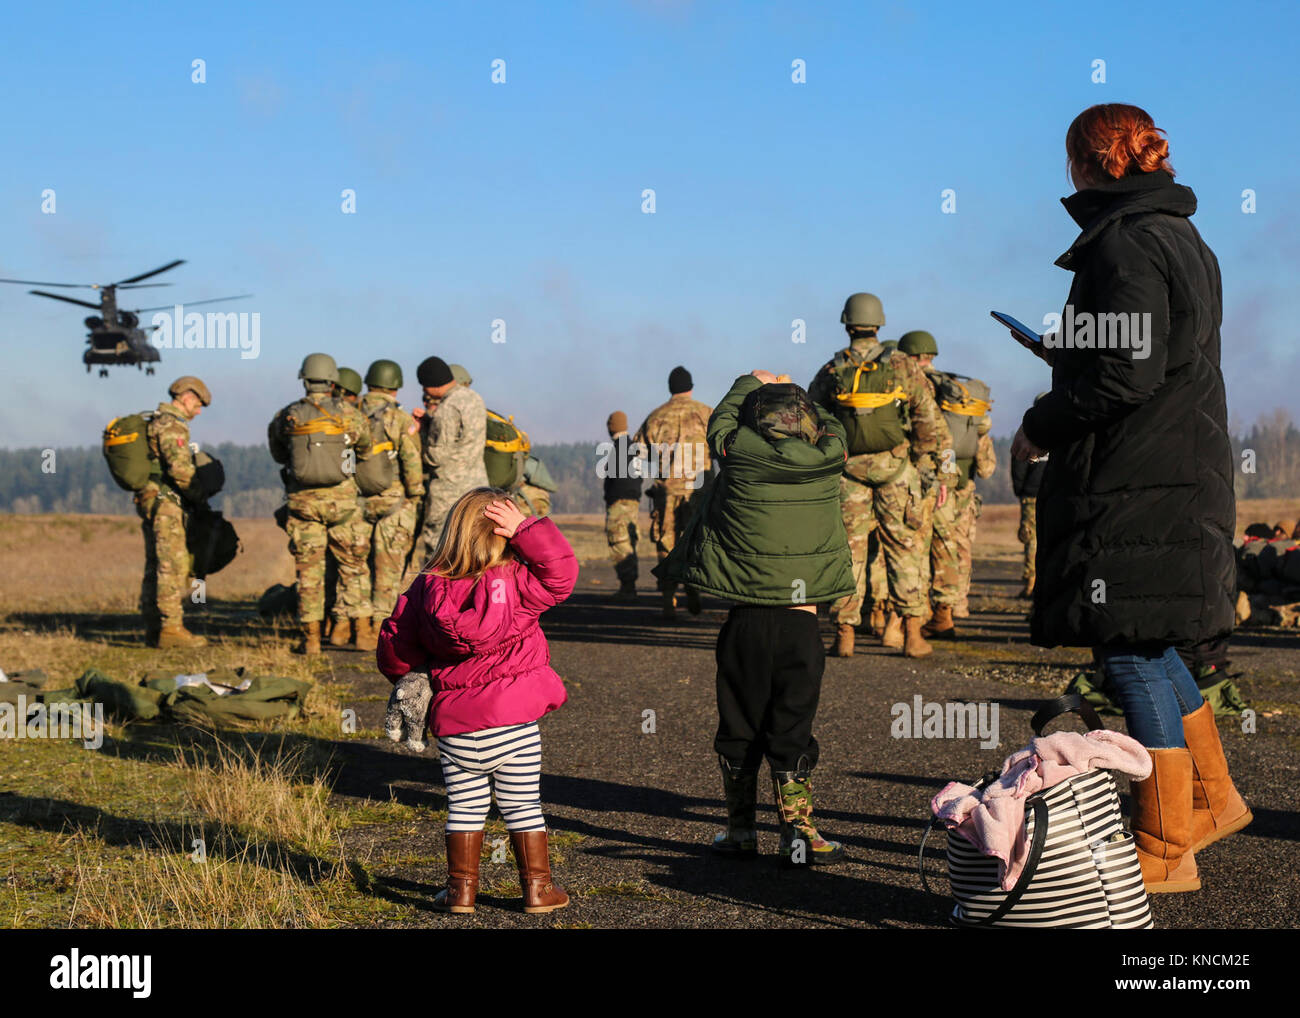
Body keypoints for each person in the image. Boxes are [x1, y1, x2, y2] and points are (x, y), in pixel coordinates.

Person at [1011, 103, 1249, 893]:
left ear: (1085, 164)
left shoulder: (1123, 244)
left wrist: (1041, 422)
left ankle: (1164, 844)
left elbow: (1129, 374)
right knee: (1152, 642)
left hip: (1137, 477)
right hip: (1176, 464)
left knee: (1129, 651)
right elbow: (1151, 354)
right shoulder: (1178, 235)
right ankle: (1210, 802)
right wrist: (1067, 349)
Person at [658, 372, 853, 866]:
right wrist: (807, 398)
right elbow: (836, 428)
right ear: (807, 422)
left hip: (744, 622)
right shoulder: (829, 458)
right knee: (792, 727)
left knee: (739, 725)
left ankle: (740, 831)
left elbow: (719, 422)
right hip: (800, 625)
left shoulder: (737, 452)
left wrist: (749, 381)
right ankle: (800, 833)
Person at [377, 490, 578, 914]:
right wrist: (526, 530)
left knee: (464, 809)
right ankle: (538, 890)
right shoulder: (519, 582)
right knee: (523, 804)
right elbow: (561, 574)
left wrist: (409, 676)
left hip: (457, 727)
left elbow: (396, 646)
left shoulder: (426, 587)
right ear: (502, 536)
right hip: (515, 723)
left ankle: (461, 892)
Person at [808, 293, 945, 658]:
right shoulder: (901, 364)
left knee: (847, 553)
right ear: (879, 324)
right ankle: (912, 635)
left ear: (847, 324)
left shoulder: (832, 369)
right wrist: (918, 458)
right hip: (895, 469)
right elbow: (927, 417)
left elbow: (813, 422)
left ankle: (845, 634)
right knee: (904, 550)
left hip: (847, 472)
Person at [267, 353, 374, 655]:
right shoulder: (349, 414)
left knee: (308, 573)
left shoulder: (286, 416)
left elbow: (278, 454)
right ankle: (363, 633)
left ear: (304, 378)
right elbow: (365, 447)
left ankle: (311, 639)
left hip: (303, 505)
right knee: (353, 567)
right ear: (332, 380)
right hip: (342, 504)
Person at [896, 330, 997, 638]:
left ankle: (924, 614)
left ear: (908, 356)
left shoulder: (918, 385)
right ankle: (946, 613)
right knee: (948, 546)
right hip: (957, 482)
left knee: (918, 546)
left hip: (928, 479)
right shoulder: (952, 387)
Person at [138, 375, 212, 648]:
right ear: (187, 397)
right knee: (171, 564)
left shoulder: (156, 420)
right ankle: (171, 628)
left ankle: (152, 626)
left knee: (155, 564)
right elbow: (180, 470)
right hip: (166, 503)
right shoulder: (172, 427)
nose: (199, 411)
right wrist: (198, 498)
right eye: (199, 404)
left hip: (152, 500)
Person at [633, 366, 712, 619]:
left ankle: (669, 599)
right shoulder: (706, 414)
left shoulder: (656, 416)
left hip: (666, 491)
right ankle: (693, 585)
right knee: (695, 540)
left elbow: (638, 451)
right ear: (691, 387)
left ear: (670, 388)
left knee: (666, 540)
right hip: (698, 491)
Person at [357, 359, 424, 636]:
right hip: (394, 502)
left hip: (356, 502)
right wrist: (416, 493)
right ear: (395, 386)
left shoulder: (351, 413)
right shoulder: (399, 419)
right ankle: (378, 627)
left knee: (357, 565)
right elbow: (411, 461)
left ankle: (354, 624)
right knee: (388, 569)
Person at [411, 356, 489, 566]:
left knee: (439, 549)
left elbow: (436, 456)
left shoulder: (446, 409)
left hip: (449, 492)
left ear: (432, 384)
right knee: (474, 546)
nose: (425, 392)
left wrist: (421, 435)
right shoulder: (474, 398)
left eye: (425, 386)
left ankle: (436, 596)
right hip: (478, 487)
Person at [1010, 393, 1049, 598]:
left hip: (1031, 496)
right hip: (1052, 492)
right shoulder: (1061, 432)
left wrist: (1021, 491)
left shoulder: (1030, 433)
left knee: (1030, 538)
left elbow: (1018, 465)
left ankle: (1031, 582)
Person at [602, 410, 643, 601]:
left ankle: (628, 588)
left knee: (619, 543)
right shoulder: (634, 448)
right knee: (630, 543)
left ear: (611, 428)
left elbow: (612, 480)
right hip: (634, 503)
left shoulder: (617, 450)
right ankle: (630, 586)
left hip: (618, 503)